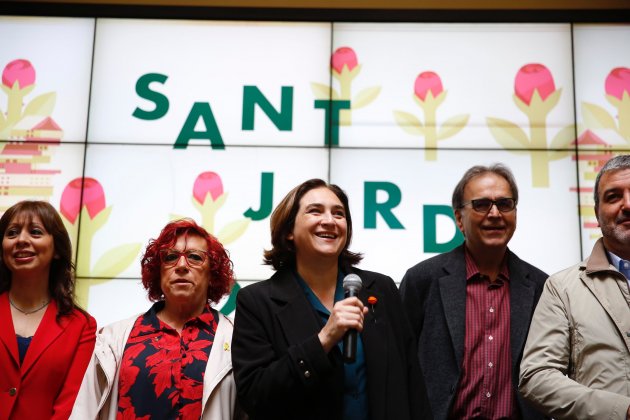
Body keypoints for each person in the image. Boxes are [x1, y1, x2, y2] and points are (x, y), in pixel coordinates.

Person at [232, 178, 431, 420]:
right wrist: (324, 339)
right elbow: (254, 396)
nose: (330, 220)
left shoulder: (381, 289)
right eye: (315, 211)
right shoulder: (256, 302)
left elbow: (413, 384)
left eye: (339, 214)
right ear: (288, 232)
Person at [399, 164, 547, 420]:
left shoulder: (541, 286)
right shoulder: (422, 280)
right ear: (459, 218)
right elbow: (399, 363)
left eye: (504, 204)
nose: (494, 214)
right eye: (481, 204)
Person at [71, 218, 244, 419]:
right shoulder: (113, 338)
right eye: (170, 257)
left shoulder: (235, 338)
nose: (181, 265)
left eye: (195, 257)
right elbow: (84, 411)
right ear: (158, 271)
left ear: (212, 274)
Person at [519, 154, 630, 420]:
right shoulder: (563, 288)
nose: (627, 205)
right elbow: (536, 376)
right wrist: (621, 411)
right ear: (597, 214)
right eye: (613, 196)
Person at [0, 200, 96, 419]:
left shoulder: (82, 326)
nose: (21, 240)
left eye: (35, 232)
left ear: (57, 250)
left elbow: (70, 406)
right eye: (12, 233)